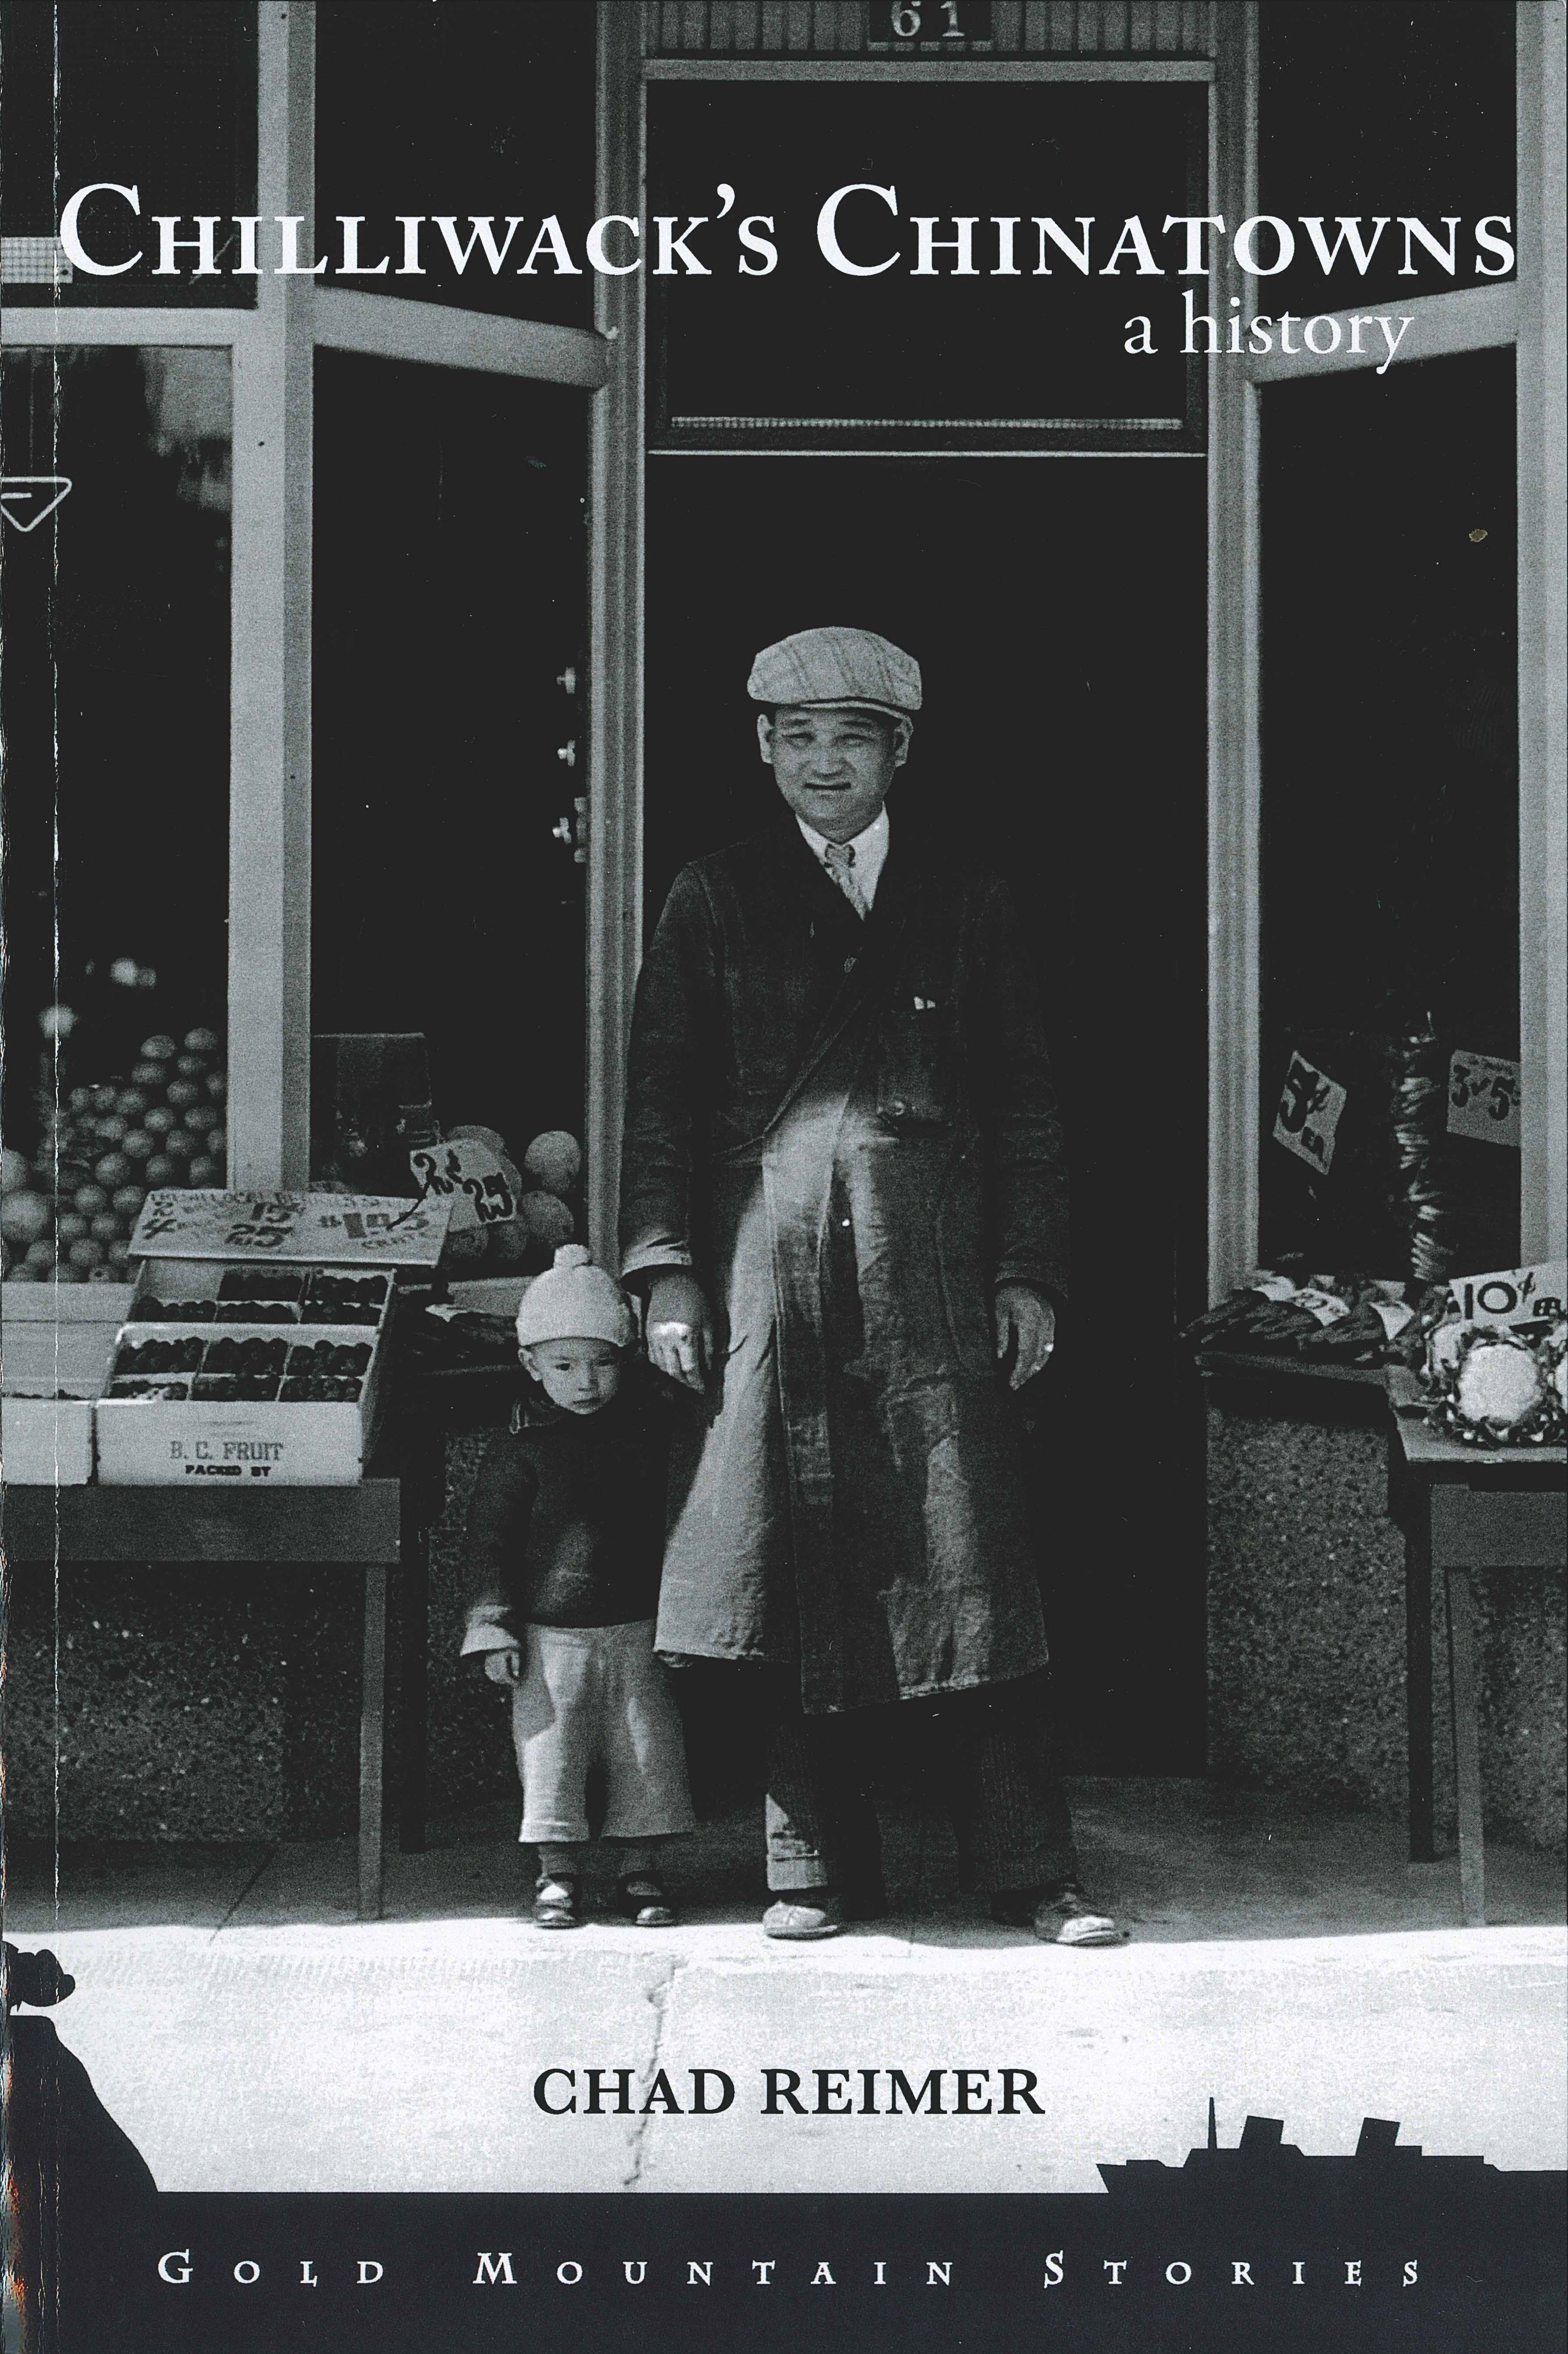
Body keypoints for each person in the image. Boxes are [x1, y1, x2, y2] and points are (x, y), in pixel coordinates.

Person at [620, 624, 1126, 1948]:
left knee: (970, 1559)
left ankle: (1031, 1871)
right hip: (766, 1274)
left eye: (849, 737)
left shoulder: (968, 900)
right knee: (791, 1550)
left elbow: (1026, 1105)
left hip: (931, 1277)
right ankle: (808, 1868)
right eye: (796, 738)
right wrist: (665, 1273)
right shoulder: (713, 894)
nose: (821, 762)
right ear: (761, 750)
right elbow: (660, 1104)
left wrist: (1027, 1273)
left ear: (898, 750)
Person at [460, 1243, 695, 1928]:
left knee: (645, 1753)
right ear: (531, 1366)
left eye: (602, 1363)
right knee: (550, 1755)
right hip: (548, 1636)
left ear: (626, 1362)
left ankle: (640, 1868)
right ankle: (556, 1873)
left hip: (638, 1628)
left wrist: (683, 1618)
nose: (584, 1382)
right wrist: (492, 1625)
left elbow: (675, 1529)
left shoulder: (649, 1442)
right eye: (563, 1366)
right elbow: (487, 1547)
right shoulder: (519, 1452)